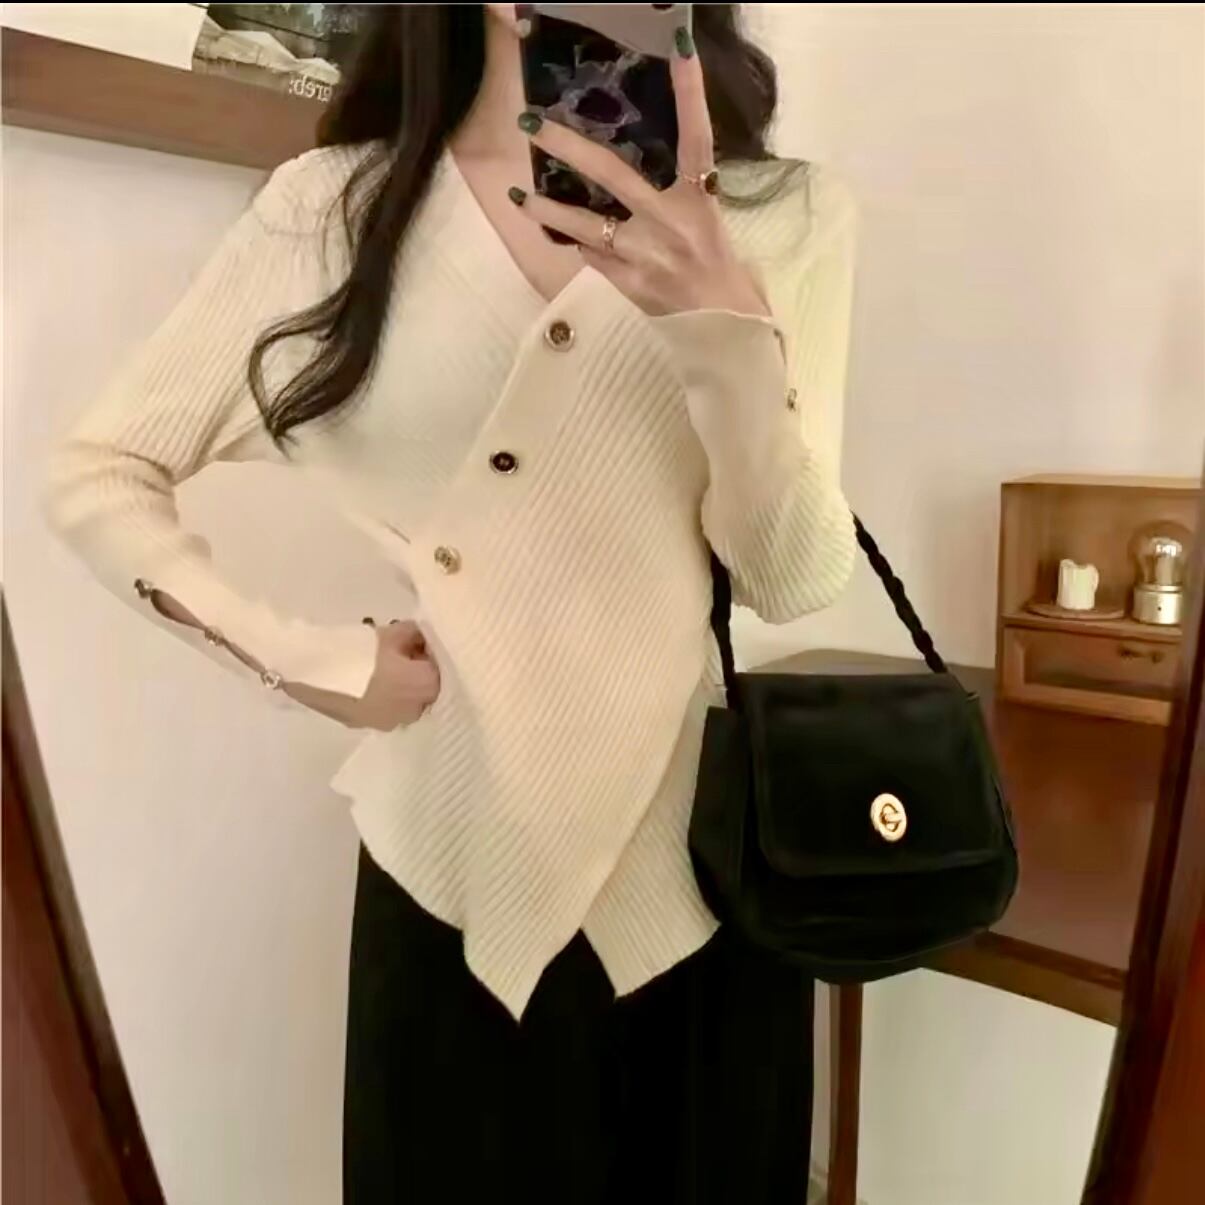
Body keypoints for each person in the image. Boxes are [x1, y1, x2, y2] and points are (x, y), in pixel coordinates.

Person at [44, 4, 857, 1201]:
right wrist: (309, 660)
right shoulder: (335, 205)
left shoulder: (780, 214)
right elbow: (99, 472)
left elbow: (791, 575)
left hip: (699, 890)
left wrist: (724, 325)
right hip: (449, 875)